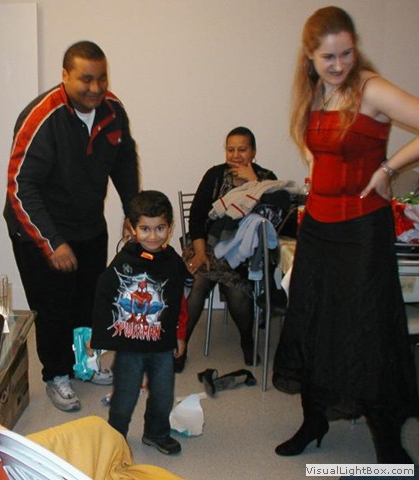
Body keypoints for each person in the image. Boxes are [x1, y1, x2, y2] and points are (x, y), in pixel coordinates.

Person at [272, 6, 419, 463]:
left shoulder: (370, 88)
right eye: (328, 57)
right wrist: (314, 163)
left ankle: (387, 440)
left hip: (362, 228)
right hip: (317, 227)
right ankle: (314, 419)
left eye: (346, 53)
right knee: (312, 322)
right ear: (310, 57)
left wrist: (389, 168)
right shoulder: (314, 91)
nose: (339, 65)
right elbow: (312, 144)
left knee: (367, 331)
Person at [4, 40, 139, 412]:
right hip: (38, 228)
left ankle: (84, 362)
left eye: (101, 78)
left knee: (89, 301)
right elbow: (20, 187)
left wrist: (133, 210)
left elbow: (124, 160)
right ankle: (57, 374)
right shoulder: (41, 118)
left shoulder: (113, 111)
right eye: (85, 79)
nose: (95, 88)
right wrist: (53, 243)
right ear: (65, 76)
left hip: (87, 222)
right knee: (53, 308)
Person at [91, 190, 192, 455]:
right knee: (124, 396)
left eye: (160, 228)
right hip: (130, 348)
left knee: (163, 395)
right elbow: (105, 294)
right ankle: (115, 439)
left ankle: (156, 433)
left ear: (170, 227)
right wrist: (98, 335)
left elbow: (179, 302)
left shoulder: (172, 262)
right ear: (133, 228)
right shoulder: (124, 260)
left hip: (162, 346)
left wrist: (180, 334)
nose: (153, 236)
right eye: (145, 229)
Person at [176, 126, 277, 372]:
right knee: (198, 282)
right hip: (207, 244)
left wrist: (254, 182)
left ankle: (247, 341)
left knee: (236, 291)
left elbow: (276, 215)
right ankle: (180, 347)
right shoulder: (215, 175)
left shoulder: (266, 178)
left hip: (243, 252)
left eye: (242, 149)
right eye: (230, 150)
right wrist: (200, 252)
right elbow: (197, 217)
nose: (235, 155)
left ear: (253, 152)